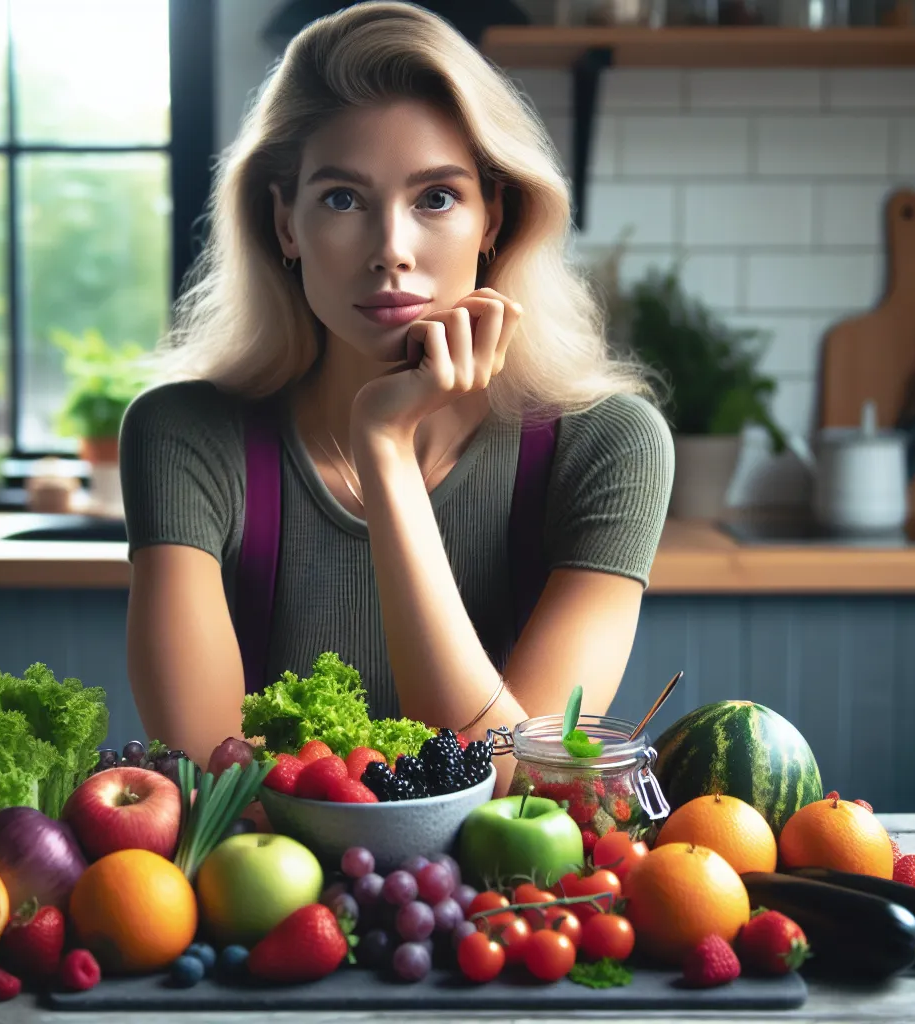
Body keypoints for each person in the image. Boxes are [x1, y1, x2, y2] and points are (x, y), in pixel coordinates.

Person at [120, 1, 673, 780]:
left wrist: (383, 447)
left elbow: (517, 778)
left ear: (493, 217)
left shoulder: (608, 444)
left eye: (436, 197)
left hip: (501, 869)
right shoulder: (183, 433)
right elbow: (214, 779)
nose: (391, 250)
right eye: (342, 198)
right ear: (285, 224)